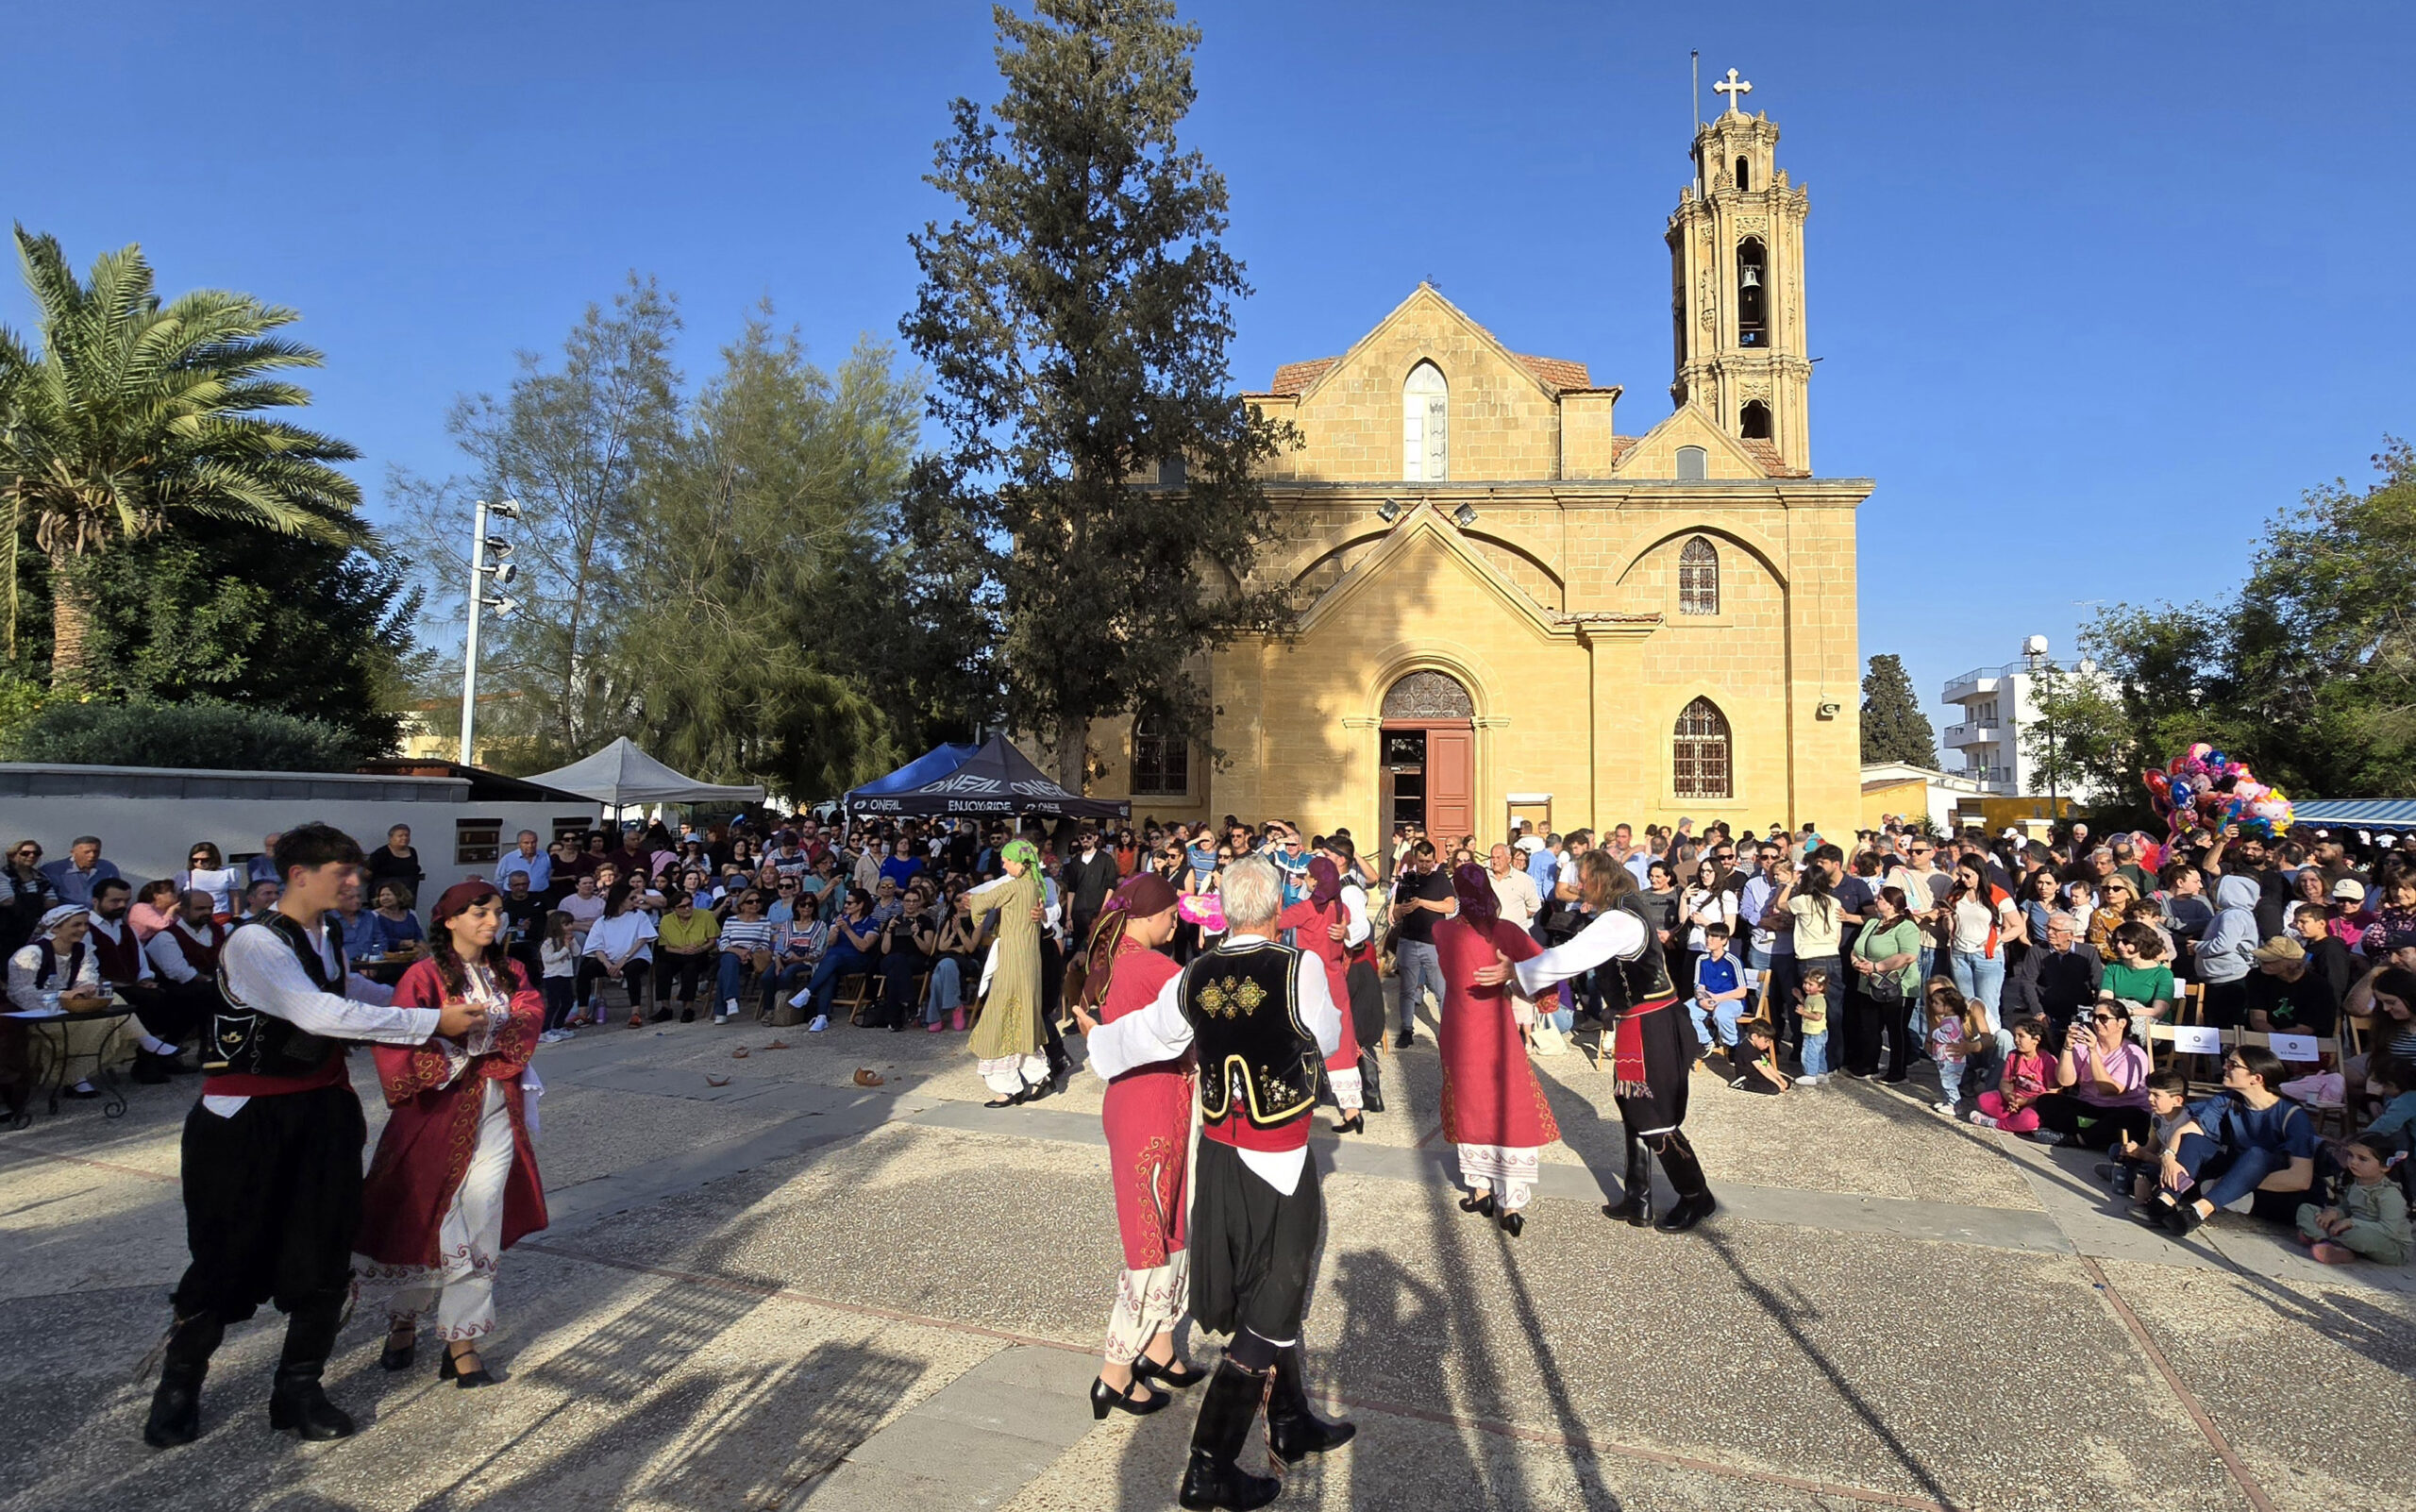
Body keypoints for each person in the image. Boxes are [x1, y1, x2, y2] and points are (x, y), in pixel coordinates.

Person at [141, 824, 483, 1449]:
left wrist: (433, 1012)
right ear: (299, 875)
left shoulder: (326, 938)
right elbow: (318, 1012)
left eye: (356, 872)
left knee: (324, 1251)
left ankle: (297, 1386)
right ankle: (179, 1384)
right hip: (243, 1123)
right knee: (225, 1255)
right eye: (342, 872)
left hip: (320, 1113)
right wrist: (431, 1019)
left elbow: (349, 991)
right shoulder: (253, 941)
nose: (356, 883)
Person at [1080, 855, 1352, 1512]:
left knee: (1265, 1285)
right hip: (1280, 1154)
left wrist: (1099, 1041)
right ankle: (1209, 1465)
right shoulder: (1298, 968)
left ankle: (1289, 1419)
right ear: (1276, 905)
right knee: (1276, 1296)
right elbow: (1327, 1032)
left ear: (1225, 909)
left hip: (1221, 1151)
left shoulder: (1197, 973)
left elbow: (1150, 1034)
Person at [357, 882, 547, 1388]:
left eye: (497, 912)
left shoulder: (512, 971)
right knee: (426, 1212)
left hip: (497, 1102)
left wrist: (483, 1037)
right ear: (449, 919)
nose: (492, 921)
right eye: (480, 912)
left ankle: (462, 1340)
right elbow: (399, 1032)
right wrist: (454, 1050)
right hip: (437, 1105)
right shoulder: (422, 975)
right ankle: (404, 1316)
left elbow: (529, 1015)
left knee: (482, 1211)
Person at [1510, 849, 1717, 1233]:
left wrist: (1517, 972)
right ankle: (1638, 1199)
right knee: (1632, 1104)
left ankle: (1696, 1196)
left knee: (1655, 1116)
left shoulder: (1620, 918)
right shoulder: (1624, 907)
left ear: (1600, 881)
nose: (1579, 888)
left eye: (1584, 880)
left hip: (1652, 1024)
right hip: (1638, 1021)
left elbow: (1573, 956)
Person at [1064, 872, 1197, 1420]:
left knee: (1164, 1226)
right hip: (1156, 1107)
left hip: (1129, 1103)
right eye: (1170, 914)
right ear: (1145, 916)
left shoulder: (1106, 960)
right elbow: (1198, 1025)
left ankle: (1161, 1347)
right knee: (1152, 1238)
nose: (1175, 922)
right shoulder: (1158, 970)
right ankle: (1115, 1373)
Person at [1434, 863, 1557, 1235]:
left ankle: (1480, 1189)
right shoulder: (1506, 932)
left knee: (1469, 1102)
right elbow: (1546, 969)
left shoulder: (1442, 931)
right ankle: (1512, 1203)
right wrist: (1518, 980)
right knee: (1511, 1099)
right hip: (1497, 1026)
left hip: (1458, 1025)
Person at [2148, 1046, 2317, 1236]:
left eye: (2233, 1065)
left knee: (2256, 1154)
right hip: (2235, 1169)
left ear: (2257, 1078)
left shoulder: (2292, 1115)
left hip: (2272, 1185)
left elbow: (2301, 1179)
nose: (2225, 1066)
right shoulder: (2226, 1100)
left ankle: (2198, 1211)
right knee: (2193, 1140)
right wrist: (2169, 1157)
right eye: (2227, 1062)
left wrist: (2235, 1181)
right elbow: (2186, 1131)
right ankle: (2165, 1200)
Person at [1275, 856, 1366, 1134]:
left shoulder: (1306, 909)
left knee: (1299, 1036)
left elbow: (1277, 922)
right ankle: (1352, 1110)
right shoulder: (1342, 909)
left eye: (1310, 877)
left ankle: (1296, 1100)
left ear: (1315, 881)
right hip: (1335, 978)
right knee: (1342, 1040)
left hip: (1311, 980)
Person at [965, 841, 1048, 1104]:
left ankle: (1009, 1085)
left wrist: (967, 899)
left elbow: (979, 902)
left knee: (999, 1019)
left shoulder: (1012, 887)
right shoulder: (1035, 886)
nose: (1003, 864)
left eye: (1006, 860)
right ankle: (1037, 1075)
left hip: (1013, 959)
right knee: (1022, 1016)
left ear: (1020, 863)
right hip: (1029, 960)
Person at [5, 903, 115, 1100]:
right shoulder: (31, 954)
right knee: (102, 1019)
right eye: (76, 925)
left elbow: (86, 979)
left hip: (72, 1008)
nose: (83, 929)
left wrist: (86, 990)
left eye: (85, 924)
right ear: (55, 928)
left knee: (114, 1008)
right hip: (39, 1012)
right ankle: (75, 1075)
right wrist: (62, 996)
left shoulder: (83, 951)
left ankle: (75, 1075)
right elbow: (19, 993)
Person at [2029, 998, 2154, 1149]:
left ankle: (2075, 1139)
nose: (2096, 1022)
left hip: (2120, 1109)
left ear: (2121, 1023)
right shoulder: (2082, 1044)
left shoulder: (2133, 1054)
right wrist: (2067, 1048)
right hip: (2090, 1109)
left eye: (2103, 1018)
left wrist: (2093, 1052)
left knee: (2133, 1119)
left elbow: (2110, 1090)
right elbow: (2065, 1081)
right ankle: (2092, 1134)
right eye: (2093, 1017)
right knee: (2047, 1101)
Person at [2297, 1136, 2411, 1266]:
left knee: (2358, 1236)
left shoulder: (2389, 1194)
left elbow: (2389, 1229)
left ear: (2384, 1167)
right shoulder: (2356, 1184)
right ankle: (2324, 1242)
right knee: (2306, 1209)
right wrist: (2335, 1213)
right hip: (2349, 1229)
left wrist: (2351, 1223)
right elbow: (2347, 1208)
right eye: (2351, 1155)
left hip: (2388, 1243)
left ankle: (2324, 1239)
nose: (2353, 1162)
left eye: (2362, 1159)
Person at [581, 883, 660, 1025]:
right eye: (631, 898)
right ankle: (582, 1014)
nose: (635, 901)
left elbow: (642, 939)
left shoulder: (639, 916)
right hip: (610, 961)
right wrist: (608, 965)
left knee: (632, 970)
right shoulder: (602, 922)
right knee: (585, 970)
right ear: (620, 899)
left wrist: (623, 961)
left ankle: (635, 1013)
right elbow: (596, 947)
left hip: (636, 957)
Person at [1970, 1016, 2055, 1133]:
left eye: (2021, 1036)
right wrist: (2010, 1097)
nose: (2016, 1040)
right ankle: (2014, 1122)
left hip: (2034, 1103)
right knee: (1984, 1099)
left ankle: (1997, 1123)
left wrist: (2026, 1102)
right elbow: (2006, 1081)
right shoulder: (2013, 1056)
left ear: (2036, 1040)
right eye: (2015, 1036)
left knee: (2030, 1120)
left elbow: (2053, 1092)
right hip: (2014, 1098)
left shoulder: (2047, 1060)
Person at [654, 889, 722, 1020]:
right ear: (674, 909)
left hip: (700, 953)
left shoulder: (706, 915)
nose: (687, 908)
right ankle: (665, 1007)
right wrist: (681, 951)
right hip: (676, 953)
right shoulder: (666, 920)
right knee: (662, 966)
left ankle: (688, 1007)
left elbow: (712, 941)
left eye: (689, 904)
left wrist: (699, 949)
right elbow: (665, 946)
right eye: (682, 907)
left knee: (691, 967)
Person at [1689, 924, 1750, 1064]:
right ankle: (1705, 1040)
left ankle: (1732, 1045)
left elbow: (1742, 991)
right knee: (1684, 1011)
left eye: (1714, 936)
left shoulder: (1732, 961)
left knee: (1721, 1013)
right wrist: (1701, 999)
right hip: (1708, 997)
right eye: (1707, 936)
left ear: (1724, 940)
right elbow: (1699, 986)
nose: (1709, 939)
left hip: (1731, 1000)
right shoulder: (1701, 960)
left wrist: (1717, 998)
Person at [3, 838, 59, 955]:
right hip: (8, 929)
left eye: (36, 853)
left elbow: (53, 902)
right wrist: (38, 899)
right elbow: (7, 901)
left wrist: (25, 900)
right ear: (12, 856)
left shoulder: (41, 876)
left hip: (36, 928)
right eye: (25, 853)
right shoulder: (3, 875)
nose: (31, 856)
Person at [40, 834, 120, 907]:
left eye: (96, 851)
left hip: (100, 917)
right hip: (67, 918)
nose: (92, 855)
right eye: (87, 852)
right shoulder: (53, 870)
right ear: (73, 853)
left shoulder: (108, 868)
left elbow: (117, 894)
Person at [536, 912, 579, 1040]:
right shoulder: (548, 943)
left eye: (571, 923)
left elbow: (577, 952)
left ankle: (558, 1026)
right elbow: (548, 959)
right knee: (554, 1004)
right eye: (566, 924)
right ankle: (544, 1030)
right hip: (553, 976)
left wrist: (572, 942)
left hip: (566, 975)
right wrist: (565, 948)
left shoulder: (569, 939)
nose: (570, 927)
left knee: (568, 1002)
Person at [364, 825, 424, 908]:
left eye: (407, 835)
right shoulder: (381, 853)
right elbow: (367, 874)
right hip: (385, 897)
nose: (404, 838)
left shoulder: (412, 851)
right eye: (400, 836)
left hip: (406, 896)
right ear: (391, 838)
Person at [1729, 1018, 1788, 1094]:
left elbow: (1766, 1064)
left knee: (1786, 1081)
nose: (1768, 1044)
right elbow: (1760, 1067)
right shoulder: (1747, 1048)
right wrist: (1777, 1083)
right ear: (1754, 1036)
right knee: (1774, 1089)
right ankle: (1742, 1084)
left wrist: (1780, 1079)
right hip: (1748, 1077)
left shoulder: (1758, 1047)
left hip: (1756, 1074)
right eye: (1766, 1041)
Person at [494, 830, 552, 894]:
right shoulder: (508, 859)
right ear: (519, 844)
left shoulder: (544, 856)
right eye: (526, 843)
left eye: (533, 842)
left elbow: (547, 874)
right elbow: (498, 880)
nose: (530, 845)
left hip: (540, 895)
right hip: (514, 896)